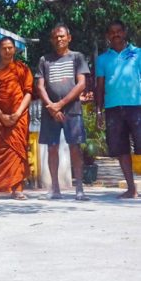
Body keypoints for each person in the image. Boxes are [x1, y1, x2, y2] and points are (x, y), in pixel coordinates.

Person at [35, 24, 90, 200]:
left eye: (62, 36)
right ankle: (55, 188)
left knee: (75, 147)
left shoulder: (77, 57)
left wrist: (61, 104)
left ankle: (79, 189)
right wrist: (52, 106)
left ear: (69, 38)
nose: (59, 39)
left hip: (72, 110)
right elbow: (40, 86)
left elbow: (81, 84)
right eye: (56, 37)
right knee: (52, 148)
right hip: (50, 112)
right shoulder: (45, 60)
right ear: (52, 40)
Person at [96, 20, 141, 199]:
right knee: (121, 149)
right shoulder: (102, 59)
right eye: (112, 32)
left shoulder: (138, 53)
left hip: (137, 106)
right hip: (113, 108)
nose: (116, 35)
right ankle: (131, 188)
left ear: (124, 32)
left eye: (118, 31)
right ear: (108, 36)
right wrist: (99, 111)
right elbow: (99, 87)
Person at [0, 37, 33, 199]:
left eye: (10, 48)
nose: (7, 51)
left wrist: (17, 114)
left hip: (19, 116)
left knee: (18, 150)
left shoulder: (23, 69)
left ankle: (17, 188)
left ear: (14, 50)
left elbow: (28, 92)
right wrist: (1, 115)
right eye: (4, 48)